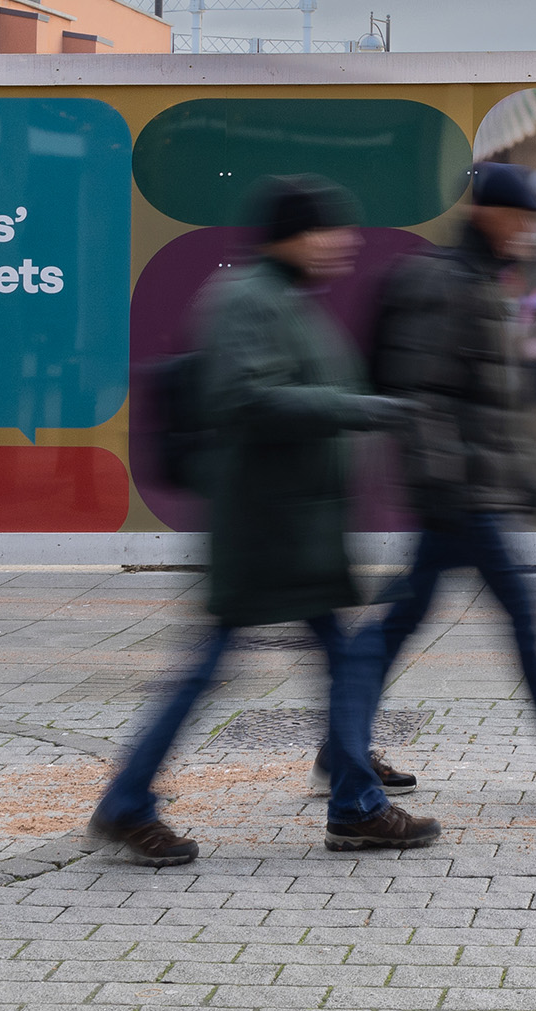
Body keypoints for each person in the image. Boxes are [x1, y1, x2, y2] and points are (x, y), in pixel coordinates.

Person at [90, 175, 435, 867]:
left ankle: (355, 804)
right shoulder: (248, 299)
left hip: (294, 525)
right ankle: (130, 802)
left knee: (338, 660)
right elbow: (248, 399)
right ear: (292, 235)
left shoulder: (282, 298)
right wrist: (361, 409)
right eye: (329, 230)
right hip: (264, 527)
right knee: (214, 668)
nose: (344, 242)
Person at [342, 162, 536, 790]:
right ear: (488, 214)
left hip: (468, 488)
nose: (529, 232)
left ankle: (341, 745)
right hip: (459, 492)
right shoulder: (447, 284)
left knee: (403, 618)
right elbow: (423, 395)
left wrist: (520, 479)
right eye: (521, 218)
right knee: (520, 612)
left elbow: (486, 402)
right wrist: (454, 483)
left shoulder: (480, 281)